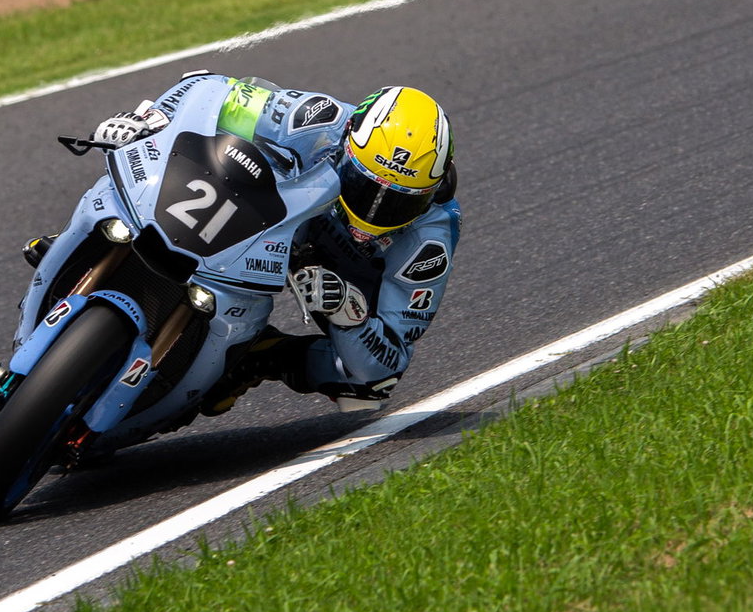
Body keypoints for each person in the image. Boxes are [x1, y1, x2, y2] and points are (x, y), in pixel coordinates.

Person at [26, 71, 460, 415]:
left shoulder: (430, 237)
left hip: (345, 273)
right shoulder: (319, 118)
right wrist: (148, 121)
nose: (374, 212)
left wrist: (350, 314)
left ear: (430, 192)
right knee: (128, 178)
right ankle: (80, 248)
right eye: (366, 189)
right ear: (350, 144)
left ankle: (257, 357)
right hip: (284, 216)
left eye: (398, 202)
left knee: (365, 389)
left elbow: (388, 362)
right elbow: (207, 88)